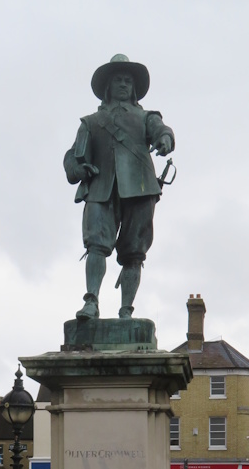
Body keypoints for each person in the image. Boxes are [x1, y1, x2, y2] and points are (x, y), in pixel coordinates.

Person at [64, 54, 175, 320]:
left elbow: (163, 130)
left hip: (140, 190)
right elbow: (71, 157)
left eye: (128, 81)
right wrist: (79, 169)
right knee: (96, 245)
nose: (124, 84)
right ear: (108, 86)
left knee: (134, 253)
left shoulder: (146, 117)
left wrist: (165, 139)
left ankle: (126, 310)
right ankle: (91, 301)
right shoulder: (91, 122)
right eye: (118, 80)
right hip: (101, 189)